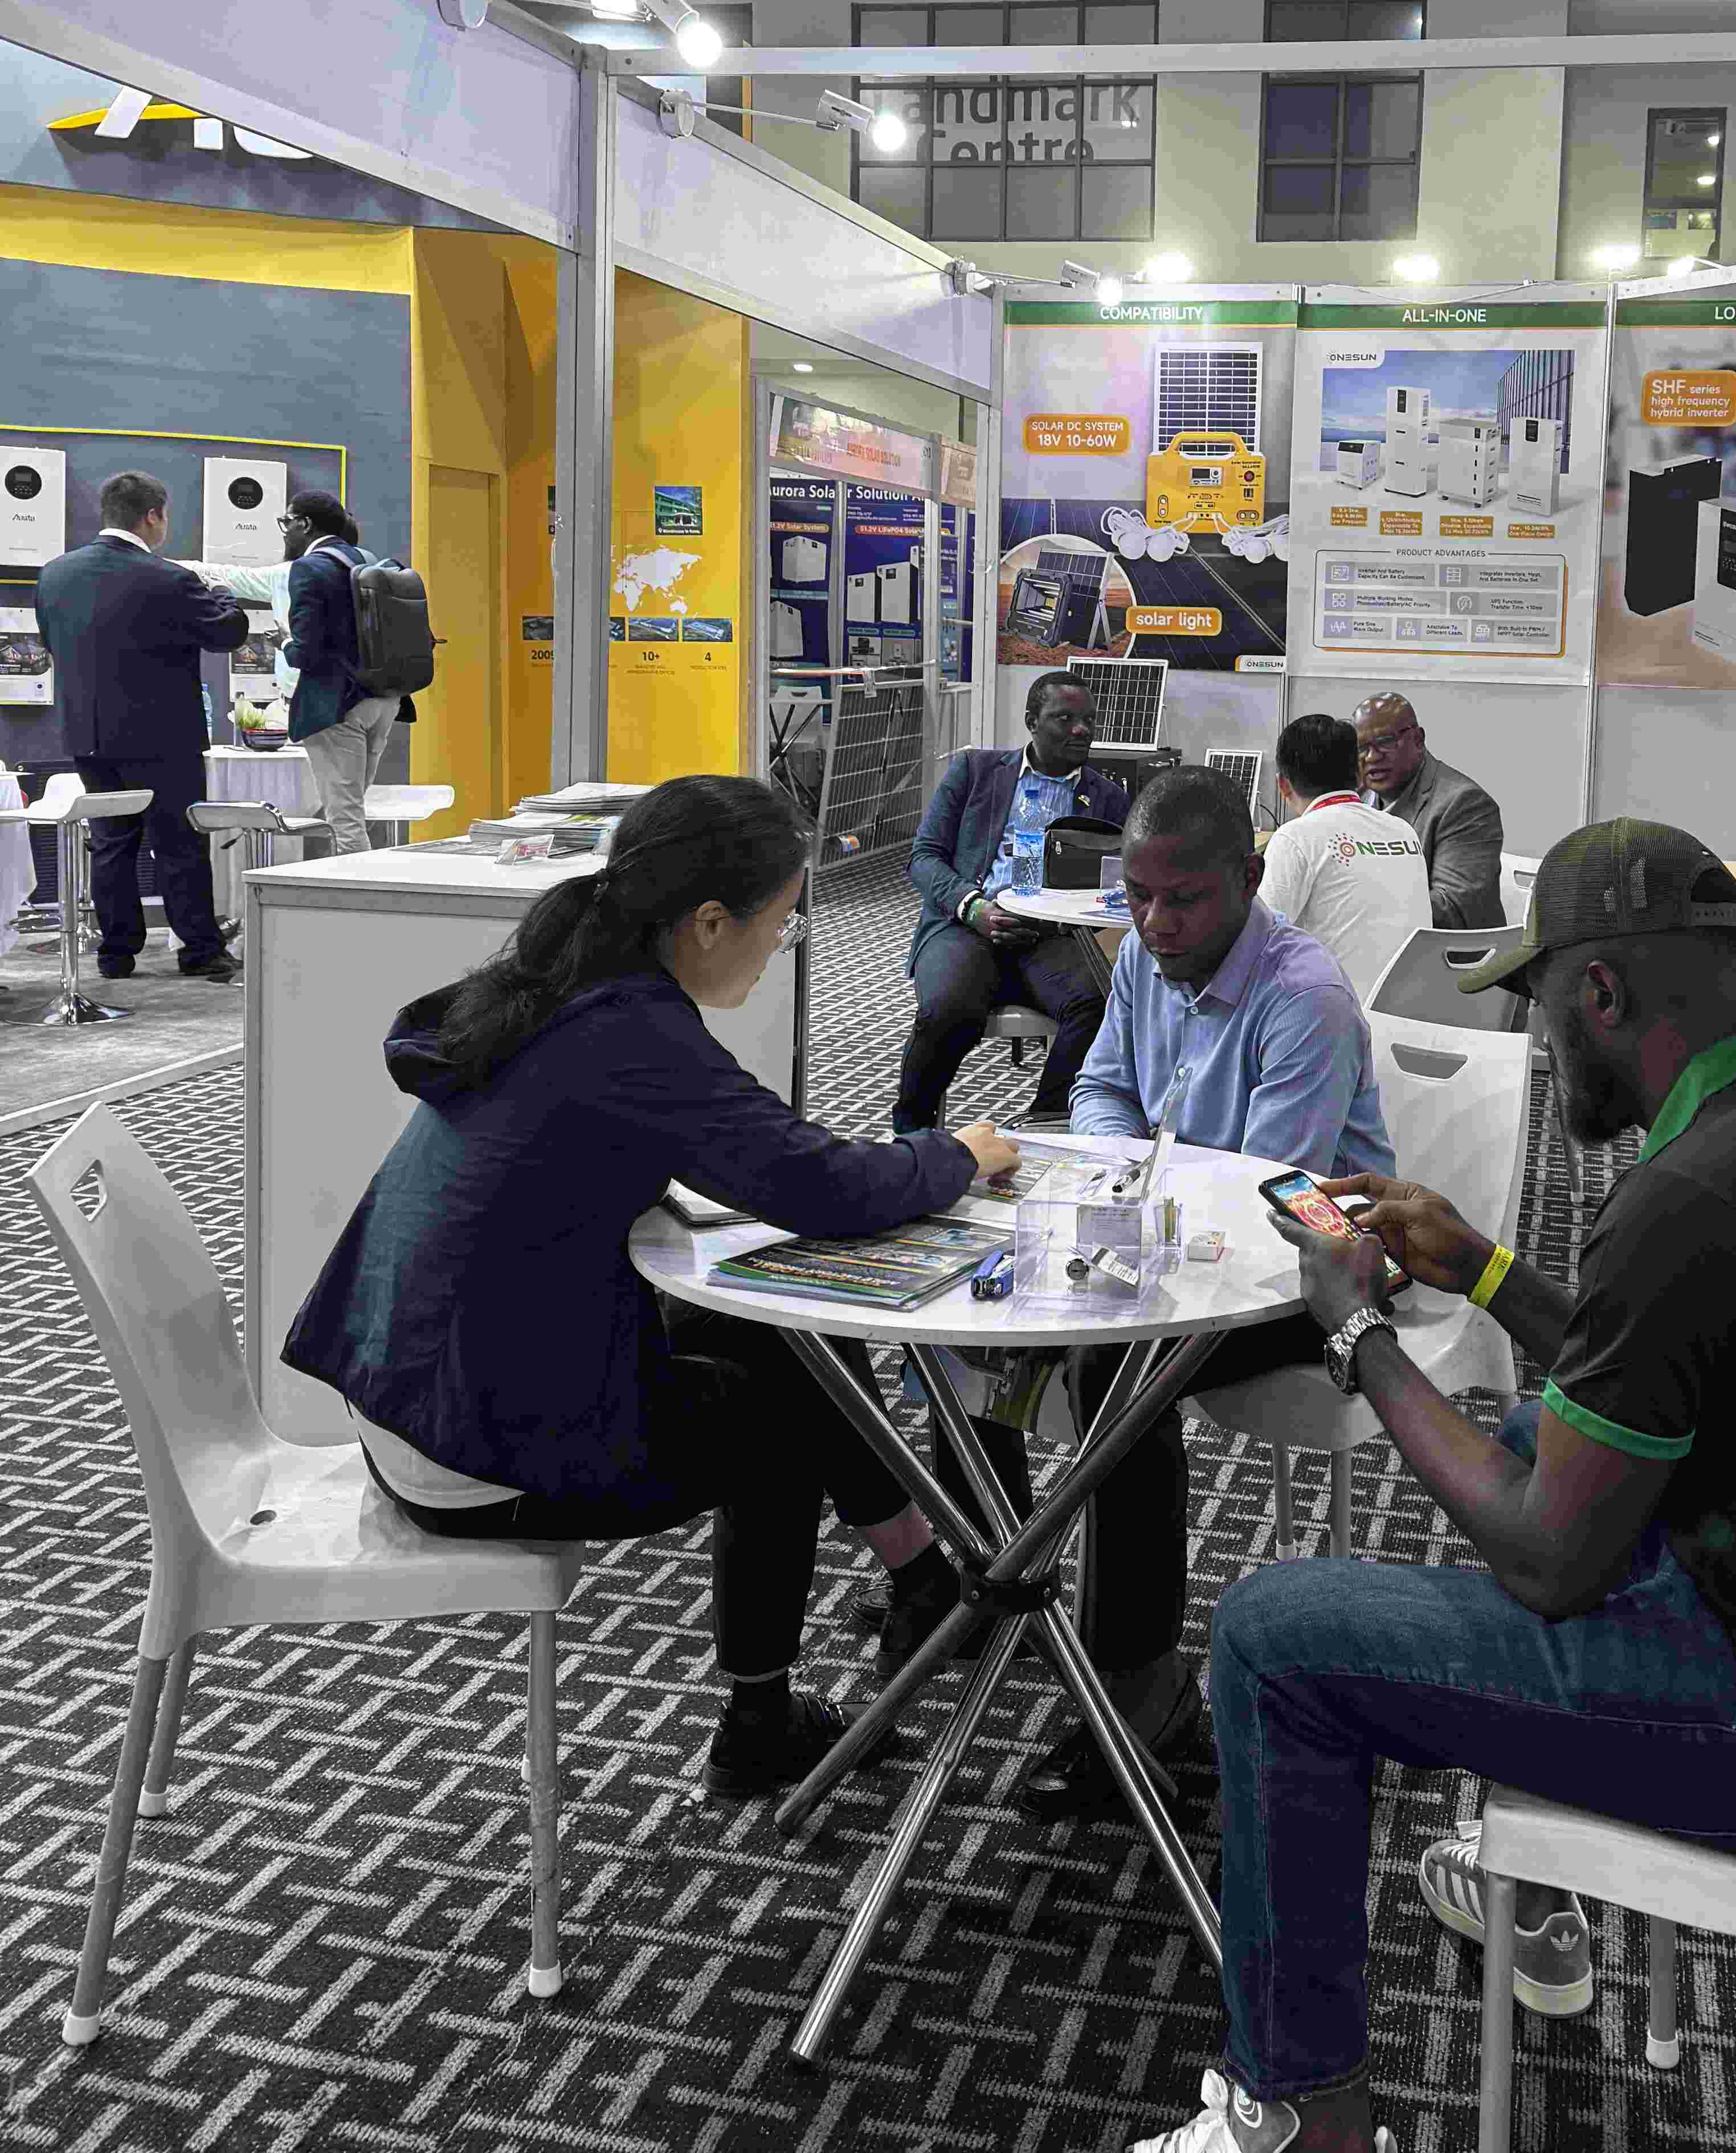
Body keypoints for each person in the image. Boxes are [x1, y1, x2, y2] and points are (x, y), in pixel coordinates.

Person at [1062, 816, 1736, 2153]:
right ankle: (1532, 1892)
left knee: (1277, 1639)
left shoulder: (1685, 1204)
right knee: (1544, 1436)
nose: (1538, 1044)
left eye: (1541, 1006)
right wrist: (1480, 1270)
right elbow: (1646, 1381)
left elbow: (1550, 1563)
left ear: (1602, 995)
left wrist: (1359, 1334)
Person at [283, 775, 1022, 1800]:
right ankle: (766, 1720)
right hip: (480, 1450)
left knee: (775, 1330)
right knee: (785, 1410)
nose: (785, 940)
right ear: (710, 922)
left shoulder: (559, 983)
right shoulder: (632, 1036)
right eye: (782, 919)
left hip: (409, 1399)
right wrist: (958, 1154)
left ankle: (923, 1580)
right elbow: (821, 1185)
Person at [1023, 766, 1395, 1825]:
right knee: (977, 1331)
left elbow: (1263, 1195)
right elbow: (1100, 1087)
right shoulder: (1146, 959)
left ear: (1247, 877)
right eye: (1137, 896)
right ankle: (995, 1592)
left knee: (1115, 1369)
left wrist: (1135, 1193)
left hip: (1309, 1271)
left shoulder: (1303, 998)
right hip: (1172, 1235)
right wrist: (1119, 1170)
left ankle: (1139, 1693)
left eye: (1182, 899)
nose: (1154, 922)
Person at [32, 469, 249, 984]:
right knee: (178, 845)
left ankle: (117, 954)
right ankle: (199, 951)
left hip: (88, 734)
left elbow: (49, 642)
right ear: (152, 516)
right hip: (164, 738)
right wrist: (222, 591)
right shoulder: (170, 578)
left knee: (111, 842)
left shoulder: (55, 575)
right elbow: (229, 633)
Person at [895, 675, 1131, 1131]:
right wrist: (972, 907)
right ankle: (913, 1134)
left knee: (1097, 1005)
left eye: (1089, 720)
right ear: (1031, 722)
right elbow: (923, 858)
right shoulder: (975, 772)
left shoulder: (1108, 798)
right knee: (948, 1009)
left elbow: (1121, 881)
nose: (1081, 730)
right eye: (1065, 718)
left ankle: (1046, 1126)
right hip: (967, 924)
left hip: (1052, 937)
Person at [1256, 712, 1431, 1005]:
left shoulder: (1296, 837)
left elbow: (1257, 945)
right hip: (1413, 1012)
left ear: (1283, 785)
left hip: (1338, 1015)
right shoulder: (1404, 831)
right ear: (1359, 776)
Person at [281, 489, 412, 857]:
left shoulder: (309, 568)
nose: (286, 531)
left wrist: (284, 643)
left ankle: (358, 891)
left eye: (287, 522)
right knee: (351, 810)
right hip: (384, 699)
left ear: (305, 524)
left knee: (345, 821)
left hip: (337, 707)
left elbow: (307, 652)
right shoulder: (366, 560)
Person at [1351, 693, 1504, 930]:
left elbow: (1452, 908)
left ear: (1418, 739)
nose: (1372, 756)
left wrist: (1354, 905)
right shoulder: (1356, 797)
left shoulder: (1464, 804)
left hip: (1447, 949)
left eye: (1386, 741)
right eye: (1362, 747)